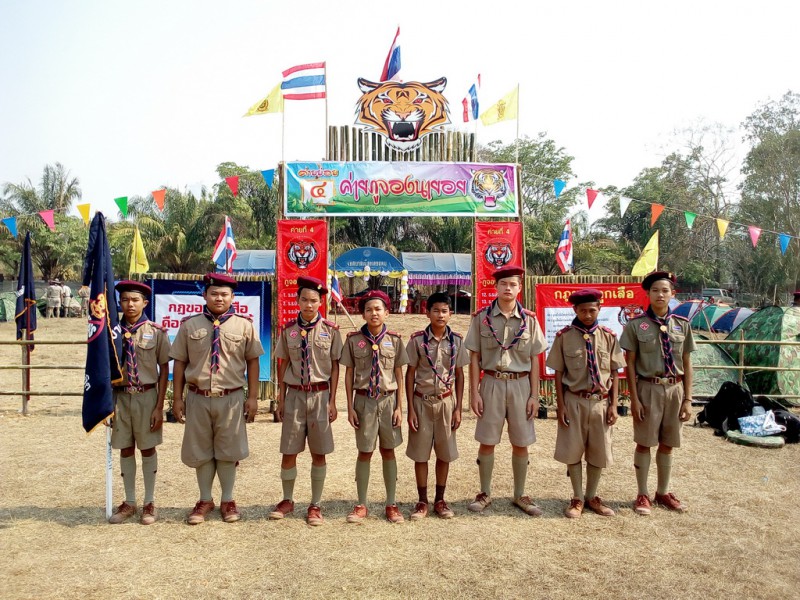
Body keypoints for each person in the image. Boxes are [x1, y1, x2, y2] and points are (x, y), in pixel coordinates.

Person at [170, 273, 264, 525]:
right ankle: (204, 499)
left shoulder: (244, 326)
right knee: (200, 450)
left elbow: (253, 362)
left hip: (230, 398)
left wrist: (253, 397)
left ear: (233, 297)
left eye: (224, 294)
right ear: (205, 295)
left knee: (228, 450)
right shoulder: (189, 325)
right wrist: (177, 398)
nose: (219, 298)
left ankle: (227, 499)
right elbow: (179, 363)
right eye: (214, 293)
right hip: (197, 397)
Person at [465, 266, 547, 516]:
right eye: (503, 284)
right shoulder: (482, 318)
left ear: (519, 288)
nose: (508, 288)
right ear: (496, 287)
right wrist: (474, 393)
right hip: (491, 383)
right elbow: (474, 357)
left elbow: (535, 360)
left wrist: (534, 396)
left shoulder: (529, 320)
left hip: (521, 385)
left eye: (513, 284)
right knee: (487, 441)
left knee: (521, 442)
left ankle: (520, 494)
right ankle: (484, 492)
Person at [620, 271, 696, 515]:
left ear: (673, 294)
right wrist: (634, 399)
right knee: (644, 443)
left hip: (675, 389)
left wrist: (688, 399)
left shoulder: (682, 325)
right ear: (648, 294)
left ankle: (663, 492)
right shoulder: (636, 325)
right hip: (648, 388)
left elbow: (687, 363)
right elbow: (630, 364)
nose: (660, 295)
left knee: (668, 443)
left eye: (665, 290)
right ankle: (642, 494)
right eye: (655, 290)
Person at [545, 289, 625, 518]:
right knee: (573, 450)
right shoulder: (564, 337)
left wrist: (613, 405)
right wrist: (560, 406)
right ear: (575, 310)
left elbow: (615, 372)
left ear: (599, 308)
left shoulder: (609, 336)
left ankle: (592, 496)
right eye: (582, 311)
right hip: (574, 400)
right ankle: (577, 497)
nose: (587, 315)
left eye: (592, 310)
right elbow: (558, 374)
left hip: (601, 402)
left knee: (598, 451)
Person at [270, 276, 342, 526]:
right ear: (297, 301)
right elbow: (283, 364)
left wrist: (332, 401)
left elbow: (335, 367)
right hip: (294, 396)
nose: (309, 305)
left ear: (321, 302)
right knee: (289, 450)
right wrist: (281, 398)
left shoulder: (331, 331)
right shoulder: (288, 330)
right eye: (304, 300)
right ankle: (287, 499)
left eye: (313, 300)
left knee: (318, 452)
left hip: (320, 395)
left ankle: (315, 504)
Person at [340, 290, 408, 524]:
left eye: (378, 309)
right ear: (363, 314)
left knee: (388, 451)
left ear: (387, 312)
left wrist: (400, 408)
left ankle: (391, 503)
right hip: (364, 401)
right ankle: (361, 503)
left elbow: (399, 374)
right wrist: (349, 407)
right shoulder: (353, 340)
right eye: (368, 309)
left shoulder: (395, 340)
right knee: (365, 451)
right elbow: (348, 374)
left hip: (388, 401)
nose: (374, 313)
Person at [108, 281, 171, 525]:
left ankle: (149, 502)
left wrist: (159, 406)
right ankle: (130, 501)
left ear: (145, 302)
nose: (130, 304)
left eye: (135, 300)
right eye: (124, 300)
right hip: (120, 397)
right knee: (125, 447)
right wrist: (106, 405)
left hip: (147, 396)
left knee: (147, 447)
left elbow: (164, 369)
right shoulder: (111, 333)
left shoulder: (156, 332)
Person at [405, 291, 469, 520]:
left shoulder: (457, 341)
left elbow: (460, 375)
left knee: (444, 452)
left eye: (444, 311)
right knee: (420, 454)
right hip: (421, 402)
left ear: (450, 314)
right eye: (436, 311)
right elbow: (410, 374)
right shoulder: (417, 341)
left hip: (446, 403)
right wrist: (410, 409)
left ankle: (440, 500)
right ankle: (422, 501)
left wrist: (458, 408)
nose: (440, 315)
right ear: (427, 313)